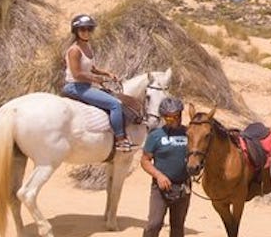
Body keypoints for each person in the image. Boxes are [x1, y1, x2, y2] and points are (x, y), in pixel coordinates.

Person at [61, 14, 135, 152]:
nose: (86, 32)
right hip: (75, 87)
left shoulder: (87, 47)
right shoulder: (74, 50)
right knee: (115, 104)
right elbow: (77, 74)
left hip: (84, 86)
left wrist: (107, 74)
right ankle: (120, 140)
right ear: (76, 31)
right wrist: (95, 79)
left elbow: (92, 68)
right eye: (83, 29)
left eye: (89, 29)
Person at [141, 97, 191, 237]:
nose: (173, 120)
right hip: (161, 188)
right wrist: (159, 176)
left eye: (176, 116)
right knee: (154, 225)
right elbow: (145, 161)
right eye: (169, 118)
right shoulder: (155, 136)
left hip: (183, 187)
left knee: (177, 227)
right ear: (163, 117)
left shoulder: (189, 134)